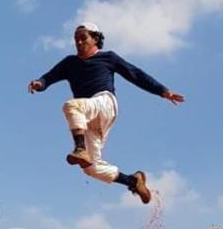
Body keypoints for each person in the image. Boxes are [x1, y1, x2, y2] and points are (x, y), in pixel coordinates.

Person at [29, 22, 185, 203]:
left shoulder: (108, 58)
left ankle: (80, 149)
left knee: (71, 106)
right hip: (87, 119)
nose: (79, 42)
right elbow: (49, 77)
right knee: (90, 168)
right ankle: (133, 181)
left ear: (95, 38)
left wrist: (163, 91)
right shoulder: (69, 63)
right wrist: (39, 83)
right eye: (76, 39)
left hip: (104, 103)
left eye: (83, 38)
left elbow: (136, 74)